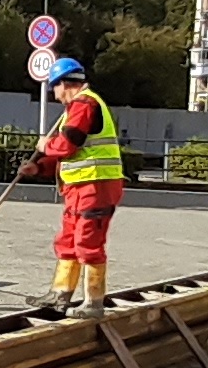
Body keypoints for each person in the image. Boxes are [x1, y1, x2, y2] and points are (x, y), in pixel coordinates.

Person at [17, 57, 126, 314]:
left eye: (54, 88)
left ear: (64, 84)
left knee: (88, 241)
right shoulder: (76, 108)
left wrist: (45, 146)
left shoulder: (84, 104)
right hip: (80, 187)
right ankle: (60, 293)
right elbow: (70, 156)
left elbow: (67, 145)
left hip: (96, 185)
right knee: (68, 240)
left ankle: (93, 302)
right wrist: (39, 167)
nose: (55, 96)